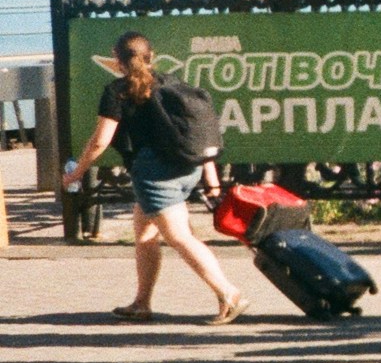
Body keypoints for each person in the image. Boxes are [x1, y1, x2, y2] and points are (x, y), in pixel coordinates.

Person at [60, 30, 246, 324]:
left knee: (179, 237)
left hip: (155, 175)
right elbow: (198, 130)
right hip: (186, 168)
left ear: (117, 59)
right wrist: (209, 174)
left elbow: (100, 140)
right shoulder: (170, 82)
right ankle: (141, 303)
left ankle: (228, 292)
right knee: (145, 233)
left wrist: (77, 172)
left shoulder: (117, 91)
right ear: (152, 57)